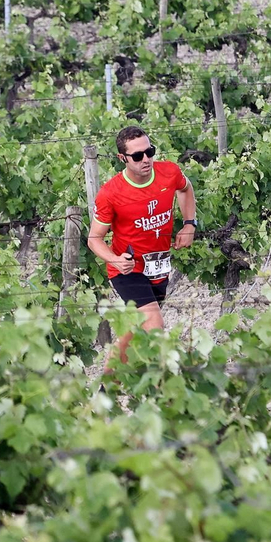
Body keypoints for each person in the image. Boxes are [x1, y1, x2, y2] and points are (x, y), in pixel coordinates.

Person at [87, 125, 198, 371]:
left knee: (131, 333)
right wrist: (115, 259)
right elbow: (94, 239)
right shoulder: (110, 193)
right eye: (137, 156)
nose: (146, 159)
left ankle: (105, 395)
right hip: (127, 271)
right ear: (122, 159)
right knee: (154, 324)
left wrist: (189, 223)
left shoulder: (169, 172)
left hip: (158, 267)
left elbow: (186, 188)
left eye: (150, 152)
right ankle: (165, 388)